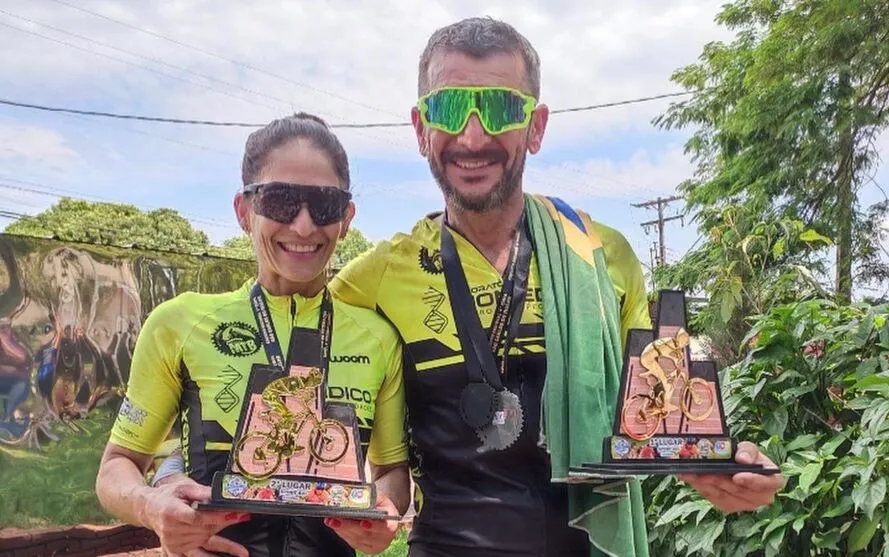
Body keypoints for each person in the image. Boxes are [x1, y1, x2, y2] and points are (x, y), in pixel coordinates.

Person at [155, 17, 785, 557]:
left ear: (534, 127)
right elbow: (248, 364)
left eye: (502, 108)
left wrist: (717, 465)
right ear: (421, 127)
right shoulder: (371, 279)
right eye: (451, 108)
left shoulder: (600, 255)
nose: (474, 135)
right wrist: (174, 479)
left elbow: (657, 411)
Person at [95, 113, 410, 557]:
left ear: (346, 218)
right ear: (244, 211)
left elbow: (392, 471)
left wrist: (388, 510)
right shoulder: (179, 323)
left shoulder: (378, 339)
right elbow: (117, 467)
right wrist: (150, 505)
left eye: (324, 206)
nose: (303, 226)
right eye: (280, 202)